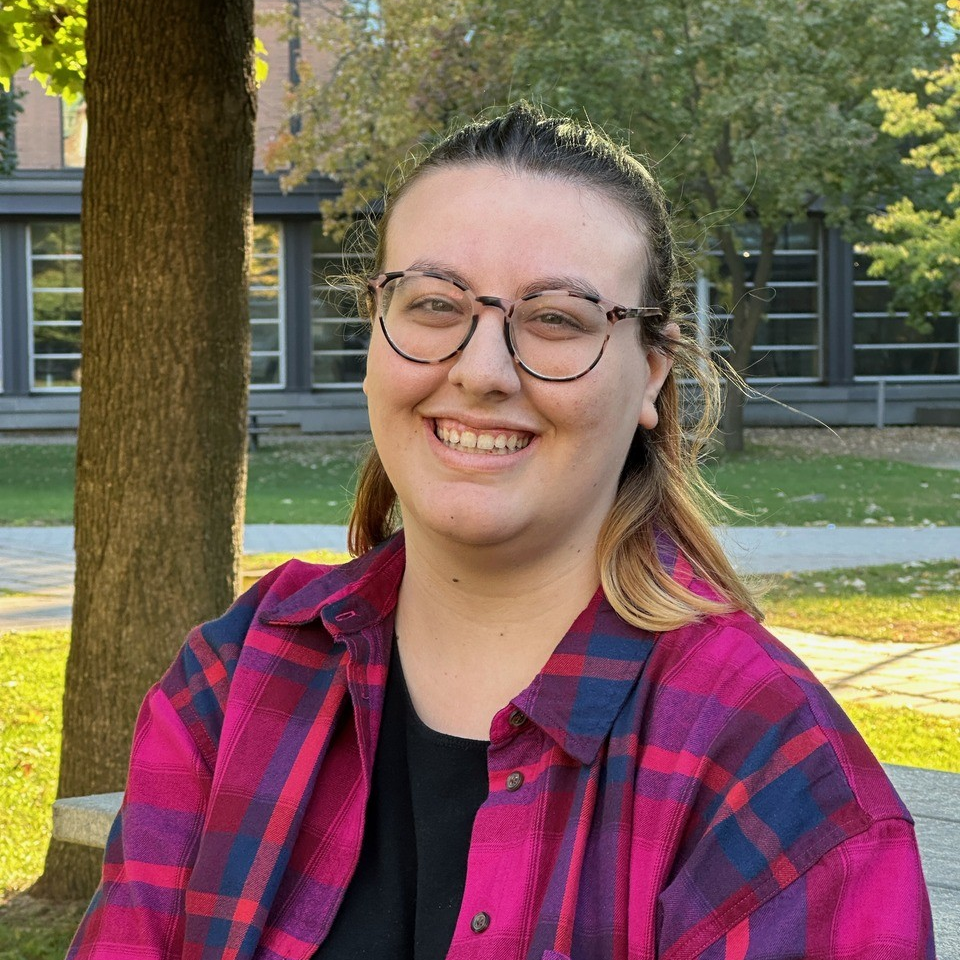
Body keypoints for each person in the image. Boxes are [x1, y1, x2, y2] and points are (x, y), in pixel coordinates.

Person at [67, 103, 935, 960]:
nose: (482, 371)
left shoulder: (771, 771)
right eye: (433, 304)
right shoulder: (239, 675)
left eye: (557, 318)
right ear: (375, 332)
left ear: (650, 375)